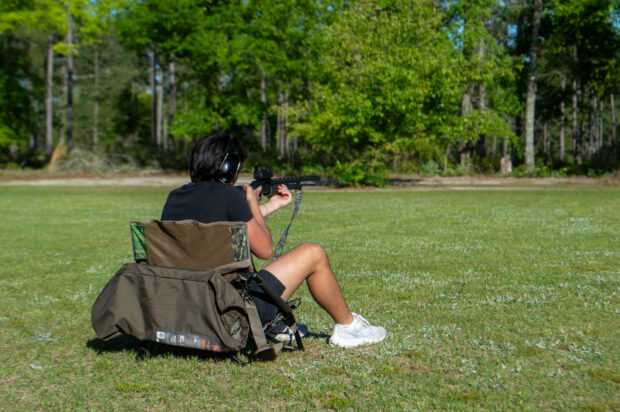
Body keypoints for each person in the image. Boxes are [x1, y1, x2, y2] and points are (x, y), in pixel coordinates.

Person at [161, 134, 386, 348]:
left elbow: (229, 222)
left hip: (188, 310)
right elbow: (265, 249)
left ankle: (274, 324)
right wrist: (250, 200)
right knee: (313, 252)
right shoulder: (229, 196)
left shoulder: (175, 197)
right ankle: (349, 327)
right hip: (232, 314)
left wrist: (273, 204)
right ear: (231, 168)